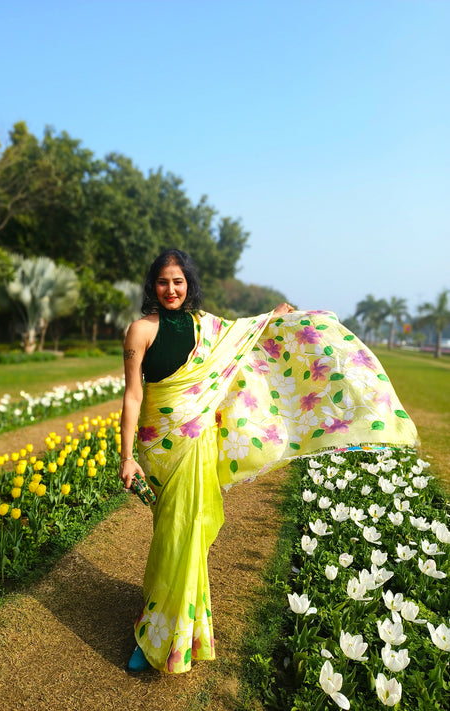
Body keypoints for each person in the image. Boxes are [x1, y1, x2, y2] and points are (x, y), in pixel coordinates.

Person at [119, 248, 418, 674]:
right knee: (171, 530)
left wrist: (273, 317)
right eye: (164, 282)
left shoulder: (206, 328)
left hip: (197, 440)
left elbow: (245, 334)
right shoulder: (140, 331)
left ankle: (162, 634)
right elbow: (132, 396)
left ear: (189, 285)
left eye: (179, 281)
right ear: (153, 285)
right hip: (161, 444)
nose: (171, 289)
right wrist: (126, 455)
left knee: (188, 531)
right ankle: (162, 613)